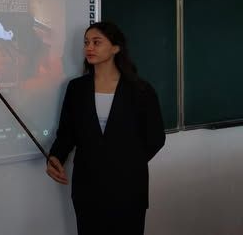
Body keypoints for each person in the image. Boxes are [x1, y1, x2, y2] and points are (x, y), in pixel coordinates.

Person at [46, 21, 165, 235]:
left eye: (96, 42)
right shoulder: (76, 89)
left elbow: (155, 137)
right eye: (86, 43)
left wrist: (126, 162)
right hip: (87, 188)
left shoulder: (141, 90)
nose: (89, 48)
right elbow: (67, 132)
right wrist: (56, 156)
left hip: (128, 187)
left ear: (115, 48)